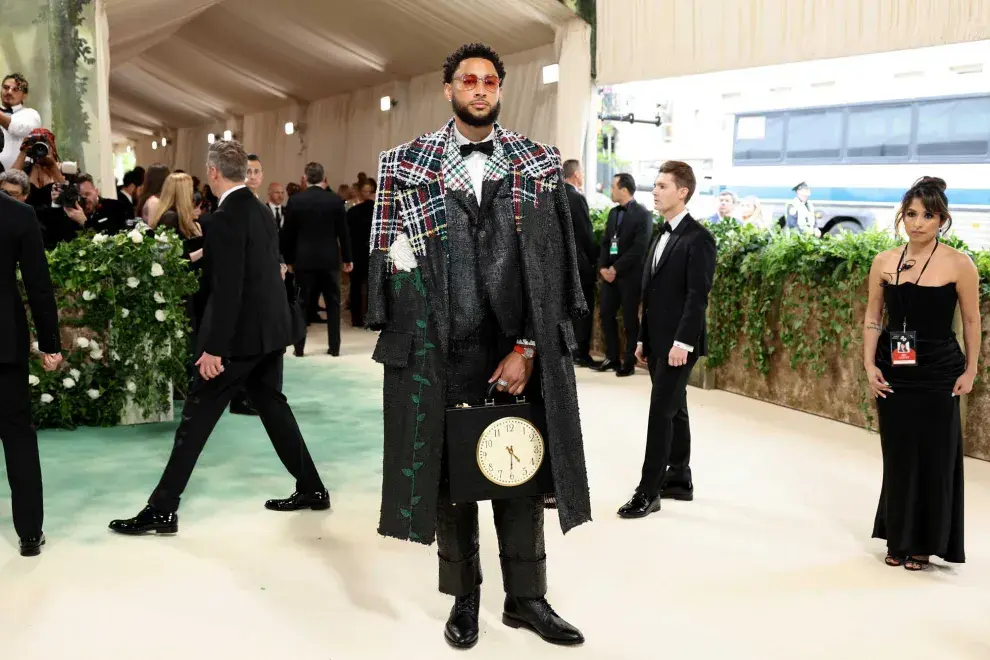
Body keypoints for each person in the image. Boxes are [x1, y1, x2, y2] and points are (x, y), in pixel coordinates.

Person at [367, 42, 590, 649]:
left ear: (500, 88)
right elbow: (385, 258)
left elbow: (556, 265)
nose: (480, 89)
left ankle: (527, 599)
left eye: (490, 80)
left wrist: (529, 347)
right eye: (468, 80)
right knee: (450, 480)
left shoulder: (539, 161)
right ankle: (464, 600)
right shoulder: (403, 163)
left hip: (515, 347)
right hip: (440, 349)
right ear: (449, 90)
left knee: (521, 469)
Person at [108, 140, 330, 536]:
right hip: (269, 332)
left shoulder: (224, 218)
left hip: (239, 340)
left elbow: (228, 289)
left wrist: (214, 348)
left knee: (195, 420)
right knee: (273, 408)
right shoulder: (260, 210)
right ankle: (312, 488)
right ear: (244, 172)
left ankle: (162, 509)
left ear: (212, 173)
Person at [863, 176, 979, 571]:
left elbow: (971, 321)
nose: (917, 223)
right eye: (911, 214)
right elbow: (872, 317)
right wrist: (868, 363)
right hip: (894, 369)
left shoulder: (959, 263)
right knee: (897, 455)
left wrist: (972, 368)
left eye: (927, 215)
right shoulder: (883, 261)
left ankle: (924, 544)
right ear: (902, 216)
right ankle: (898, 537)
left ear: (941, 219)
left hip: (940, 372)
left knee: (934, 455)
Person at [618, 161, 717, 519]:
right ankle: (679, 478)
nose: (655, 192)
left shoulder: (699, 239)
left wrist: (683, 344)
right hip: (657, 341)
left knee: (660, 412)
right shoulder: (661, 234)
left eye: (662, 186)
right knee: (677, 409)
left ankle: (648, 492)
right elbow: (653, 293)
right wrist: (642, 339)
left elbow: (697, 298)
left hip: (679, 345)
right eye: (655, 186)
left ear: (683, 192)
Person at [0, 192, 62, 556]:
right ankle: (28, 534)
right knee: (18, 435)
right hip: (5, 340)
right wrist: (50, 342)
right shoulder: (18, 215)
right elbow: (38, 284)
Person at [282, 162, 353, 356]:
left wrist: (287, 260)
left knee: (302, 303)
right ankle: (335, 347)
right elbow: (343, 233)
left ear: (305, 178)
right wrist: (347, 257)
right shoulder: (335, 200)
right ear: (324, 178)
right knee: (333, 303)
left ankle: (299, 348)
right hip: (329, 259)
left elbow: (288, 234)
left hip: (304, 260)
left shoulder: (296, 201)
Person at [596, 173, 652, 376]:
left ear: (624, 190)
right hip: (610, 276)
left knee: (629, 319)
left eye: (613, 187)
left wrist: (615, 269)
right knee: (606, 314)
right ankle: (611, 356)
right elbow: (605, 242)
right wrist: (603, 267)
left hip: (630, 275)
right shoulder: (612, 213)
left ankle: (629, 361)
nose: (610, 190)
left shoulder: (643, 214)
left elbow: (639, 248)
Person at [562, 159, 599, 367]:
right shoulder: (576, 198)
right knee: (582, 310)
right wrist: (594, 261)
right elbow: (586, 234)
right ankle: (580, 352)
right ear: (576, 175)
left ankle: (566, 350)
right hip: (579, 265)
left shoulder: (553, 196)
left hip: (559, 265)